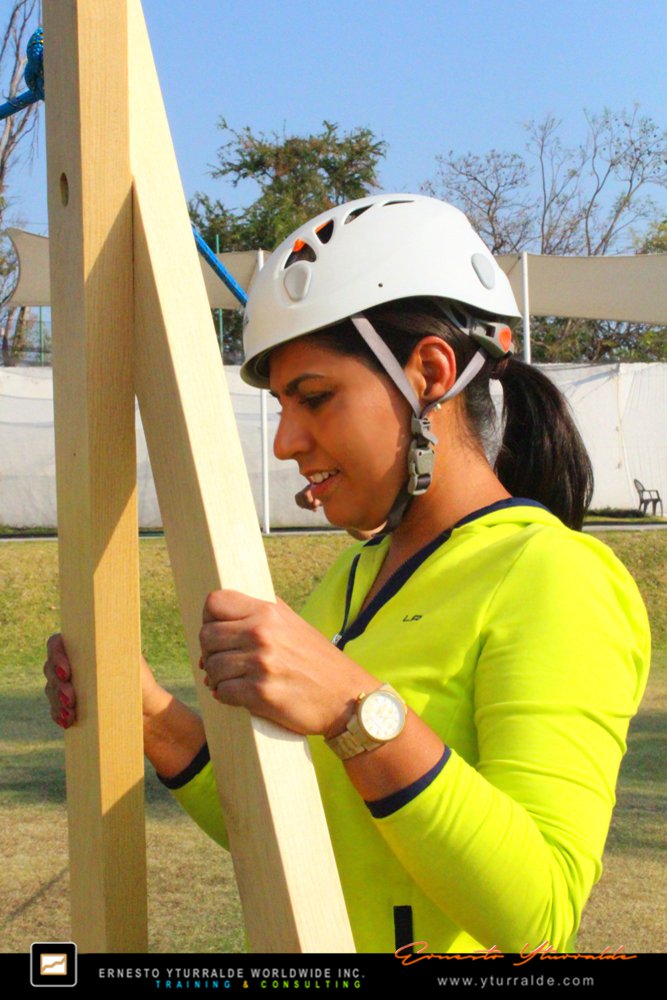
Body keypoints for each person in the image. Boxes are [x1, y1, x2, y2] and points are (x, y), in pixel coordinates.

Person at [44, 194, 650, 954]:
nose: (285, 442)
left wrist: (352, 709)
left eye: (315, 398)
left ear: (428, 371)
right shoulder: (351, 579)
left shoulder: (554, 575)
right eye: (280, 406)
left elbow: (540, 913)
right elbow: (297, 834)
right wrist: (150, 717)